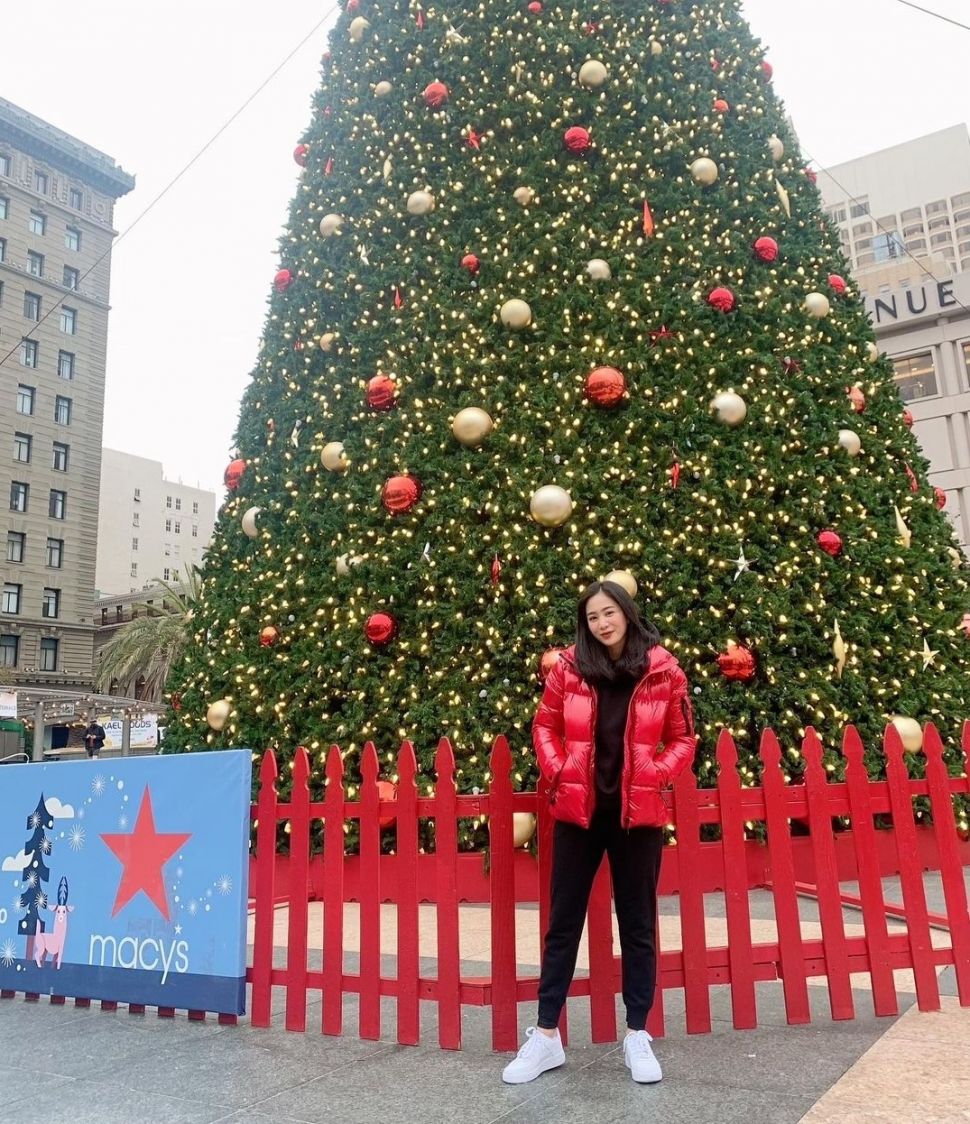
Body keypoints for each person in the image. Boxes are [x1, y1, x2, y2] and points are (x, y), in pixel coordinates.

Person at [502, 580, 696, 1086]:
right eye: (592, 617)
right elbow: (543, 726)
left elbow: (683, 738)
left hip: (637, 816)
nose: (602, 623)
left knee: (637, 926)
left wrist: (655, 773)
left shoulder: (662, 670)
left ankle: (637, 1034)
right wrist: (559, 767)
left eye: (609, 613)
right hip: (578, 814)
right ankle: (545, 1037)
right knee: (563, 924)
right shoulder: (568, 669)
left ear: (627, 614)